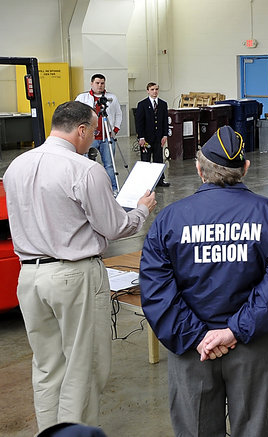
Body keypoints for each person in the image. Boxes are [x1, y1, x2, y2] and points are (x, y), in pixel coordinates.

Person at [3, 101, 156, 431]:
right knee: (82, 369)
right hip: (73, 275)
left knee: (46, 367)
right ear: (82, 129)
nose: (95, 137)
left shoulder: (16, 166)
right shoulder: (84, 169)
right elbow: (115, 227)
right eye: (94, 130)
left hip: (29, 276)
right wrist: (141, 210)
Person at [139, 126, 268, 437]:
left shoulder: (170, 219)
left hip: (192, 348)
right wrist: (236, 330)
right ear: (245, 169)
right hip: (254, 345)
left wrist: (199, 336)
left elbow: (156, 290)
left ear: (199, 170)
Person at [75, 73, 123, 193]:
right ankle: (90, 190)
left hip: (107, 137)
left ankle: (113, 189)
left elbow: (118, 113)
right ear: (91, 83)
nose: (100, 86)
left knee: (109, 165)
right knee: (87, 165)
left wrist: (115, 129)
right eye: (97, 83)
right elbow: (74, 114)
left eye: (102, 83)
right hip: (89, 138)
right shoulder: (82, 98)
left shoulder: (112, 97)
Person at [134, 82, 170, 186]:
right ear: (148, 91)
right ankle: (146, 182)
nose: (155, 92)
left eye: (156, 89)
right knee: (145, 159)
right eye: (152, 89)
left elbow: (164, 121)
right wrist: (141, 137)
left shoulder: (163, 104)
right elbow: (139, 122)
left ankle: (160, 180)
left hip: (158, 137)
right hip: (146, 137)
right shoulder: (142, 104)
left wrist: (165, 135)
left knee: (158, 159)